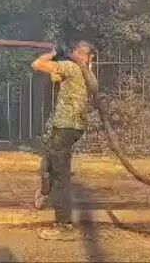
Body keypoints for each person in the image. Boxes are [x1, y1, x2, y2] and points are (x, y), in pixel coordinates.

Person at [30, 40, 98, 235]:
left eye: (79, 51)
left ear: (87, 57)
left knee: (61, 176)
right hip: (72, 128)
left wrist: (52, 53)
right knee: (49, 161)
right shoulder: (87, 75)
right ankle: (44, 193)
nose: (75, 53)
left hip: (65, 127)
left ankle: (64, 225)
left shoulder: (71, 66)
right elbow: (54, 77)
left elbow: (36, 64)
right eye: (75, 50)